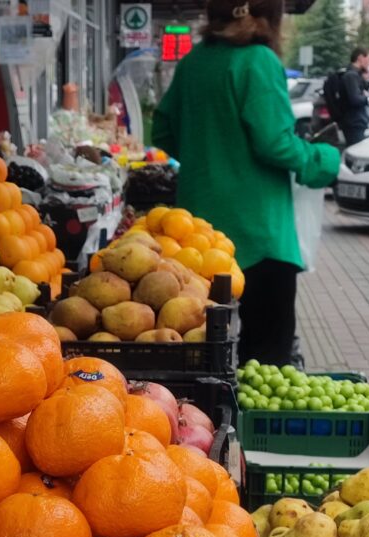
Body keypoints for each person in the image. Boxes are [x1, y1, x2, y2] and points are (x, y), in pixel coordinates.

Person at [152, 0, 340, 366]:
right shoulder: (259, 61)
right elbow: (275, 143)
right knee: (266, 358)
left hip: (196, 238)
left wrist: (206, 154)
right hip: (259, 237)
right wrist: (323, 160)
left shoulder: (193, 62)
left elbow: (162, 129)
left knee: (201, 354)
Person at [341, 48, 369, 146]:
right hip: (354, 122)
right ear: (360, 58)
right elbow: (355, 99)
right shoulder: (351, 75)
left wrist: (366, 80)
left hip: (355, 121)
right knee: (357, 149)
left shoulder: (356, 74)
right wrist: (366, 97)